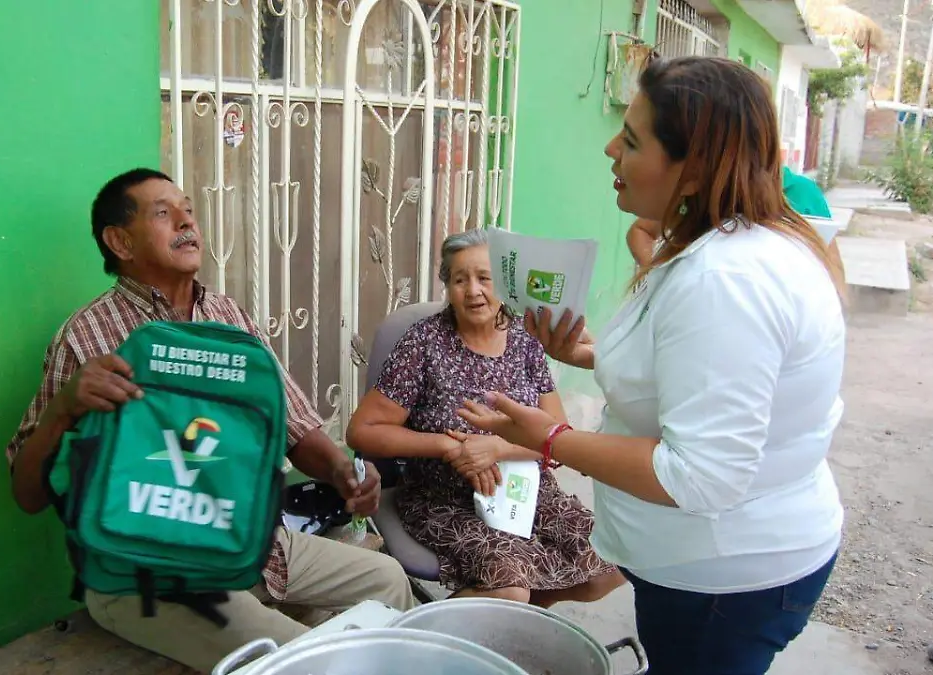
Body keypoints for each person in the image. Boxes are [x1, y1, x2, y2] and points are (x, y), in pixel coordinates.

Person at [458, 57, 847, 674]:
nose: (611, 148)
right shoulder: (728, 246)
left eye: (633, 140)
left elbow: (702, 477)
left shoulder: (723, 281)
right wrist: (586, 353)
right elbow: (696, 377)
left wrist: (550, 437)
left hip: (723, 578)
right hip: (712, 565)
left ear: (692, 170)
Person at [5, 168, 416, 673]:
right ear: (119, 241)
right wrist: (64, 409)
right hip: (150, 570)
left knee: (386, 580)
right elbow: (27, 493)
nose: (186, 222)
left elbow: (293, 424)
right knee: (303, 659)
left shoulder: (226, 317)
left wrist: (343, 473)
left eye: (188, 210)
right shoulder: (86, 336)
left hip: (251, 539)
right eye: (162, 213)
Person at [345, 228, 624, 607]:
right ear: (447, 285)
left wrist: (499, 449)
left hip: (526, 493)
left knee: (614, 560)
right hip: (444, 498)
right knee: (509, 584)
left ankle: (505, 624)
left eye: (485, 278)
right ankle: (455, 637)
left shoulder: (526, 339)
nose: (473, 290)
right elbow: (362, 431)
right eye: (461, 279)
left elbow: (560, 436)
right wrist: (447, 445)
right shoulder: (423, 344)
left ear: (504, 285)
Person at [626, 165, 833, 267]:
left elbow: (833, 269)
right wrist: (658, 279)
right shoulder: (721, 195)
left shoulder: (803, 193)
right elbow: (640, 230)